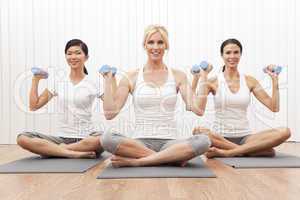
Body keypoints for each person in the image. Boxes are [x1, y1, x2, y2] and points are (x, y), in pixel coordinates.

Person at [100, 25, 211, 167]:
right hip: (139, 142)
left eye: (160, 42)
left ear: (166, 46)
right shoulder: (131, 77)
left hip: (170, 142)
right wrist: (107, 80)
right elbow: (110, 114)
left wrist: (204, 77)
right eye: (151, 42)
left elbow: (198, 110)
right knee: (107, 138)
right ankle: (170, 159)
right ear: (144, 45)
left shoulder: (178, 76)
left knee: (203, 141)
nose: (155, 47)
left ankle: (138, 162)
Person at [192, 38, 291, 158]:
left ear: (240, 54)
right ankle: (249, 151)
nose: (232, 56)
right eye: (228, 53)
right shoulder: (212, 81)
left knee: (285, 131)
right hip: (220, 137)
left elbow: (274, 107)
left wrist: (275, 80)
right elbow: (200, 110)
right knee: (198, 131)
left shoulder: (250, 81)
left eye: (236, 52)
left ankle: (229, 152)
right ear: (222, 56)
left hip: (246, 138)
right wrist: (203, 76)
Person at [17, 39, 114, 158]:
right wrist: (35, 79)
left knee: (102, 139)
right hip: (62, 138)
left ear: (86, 57)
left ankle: (57, 151)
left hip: (87, 138)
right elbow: (34, 106)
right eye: (69, 53)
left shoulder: (94, 82)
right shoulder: (58, 82)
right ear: (66, 57)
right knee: (22, 138)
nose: (73, 56)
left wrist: (108, 81)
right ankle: (71, 153)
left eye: (78, 53)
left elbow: (110, 111)